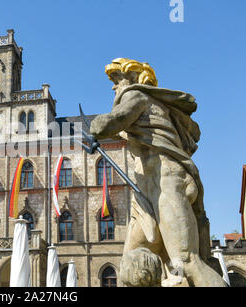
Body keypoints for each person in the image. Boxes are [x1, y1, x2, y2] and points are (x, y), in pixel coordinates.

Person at [90, 58, 225, 287]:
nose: (114, 86)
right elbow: (124, 131)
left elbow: (110, 123)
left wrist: (92, 128)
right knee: (130, 267)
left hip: (166, 184)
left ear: (133, 78)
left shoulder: (137, 96)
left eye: (116, 79)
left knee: (186, 262)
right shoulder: (151, 110)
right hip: (146, 194)